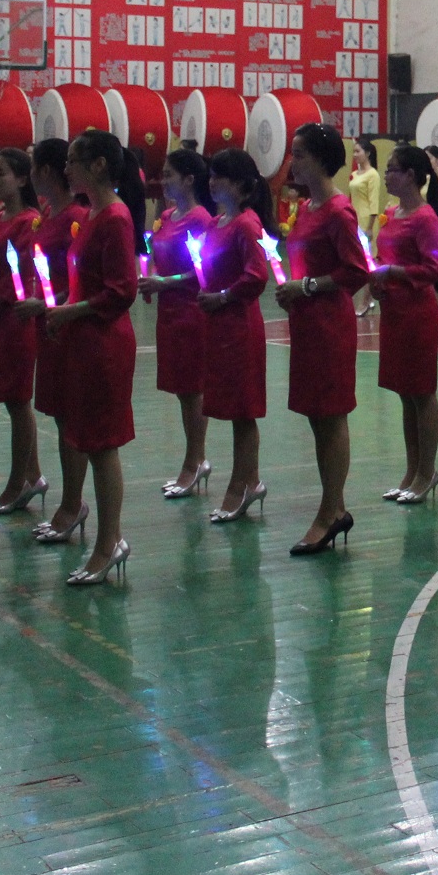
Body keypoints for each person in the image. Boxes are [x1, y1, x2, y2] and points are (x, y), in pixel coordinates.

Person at [39, 130, 139, 584]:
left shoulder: (115, 217)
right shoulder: (94, 214)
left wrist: (72, 311)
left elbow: (122, 291)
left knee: (102, 445)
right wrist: (63, 306)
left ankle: (109, 542)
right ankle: (106, 540)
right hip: (85, 338)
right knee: (91, 441)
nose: (66, 169)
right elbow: (88, 283)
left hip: (105, 343)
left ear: (98, 165)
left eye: (73, 161)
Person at [274, 122, 372, 556]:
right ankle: (335, 504)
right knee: (317, 417)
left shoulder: (337, 211)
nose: (292, 162)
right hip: (306, 325)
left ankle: (330, 510)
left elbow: (356, 271)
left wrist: (308, 286)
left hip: (330, 326)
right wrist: (293, 289)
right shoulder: (307, 207)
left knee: (331, 417)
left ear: (319, 159)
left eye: (299, 154)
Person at [15, 141, 89, 546]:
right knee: (61, 417)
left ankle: (73, 503)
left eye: (34, 168)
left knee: (72, 418)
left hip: (67, 325)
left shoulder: (77, 218)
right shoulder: (47, 214)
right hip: (48, 325)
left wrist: (49, 304)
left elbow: (81, 281)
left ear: (47, 172)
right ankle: (69, 501)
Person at [199, 148, 274, 523]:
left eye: (222, 177)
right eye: (212, 175)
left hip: (240, 326)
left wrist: (224, 296)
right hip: (218, 326)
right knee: (231, 408)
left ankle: (241, 485)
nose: (213, 182)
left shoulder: (247, 224)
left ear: (243, 186)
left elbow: (257, 275)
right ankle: (251, 480)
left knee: (243, 412)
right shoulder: (216, 223)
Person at [0, 147, 46, 516]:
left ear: (22, 179)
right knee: (12, 402)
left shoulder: (29, 222)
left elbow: (19, 279)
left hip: (16, 320)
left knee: (18, 402)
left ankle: (18, 484)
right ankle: (33, 475)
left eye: (1, 174)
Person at [372, 145, 438, 503]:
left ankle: (426, 471)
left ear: (411, 176)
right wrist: (377, 274)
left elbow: (434, 269)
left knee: (421, 392)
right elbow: (382, 256)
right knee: (405, 394)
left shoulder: (425, 218)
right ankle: (412, 468)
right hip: (393, 312)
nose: (386, 175)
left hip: (417, 313)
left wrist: (393, 272)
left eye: (392, 169)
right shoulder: (390, 213)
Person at [142, 147, 215, 500]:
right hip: (168, 312)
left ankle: (195, 460)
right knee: (182, 391)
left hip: (190, 311)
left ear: (189, 179)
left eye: (169, 175)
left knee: (192, 390)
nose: (163, 181)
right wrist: (150, 275)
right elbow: (159, 256)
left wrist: (165, 282)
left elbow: (204, 272)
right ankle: (193, 459)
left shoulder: (200, 219)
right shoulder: (167, 216)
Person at [346, 141, 385, 316]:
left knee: (369, 263)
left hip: (367, 221)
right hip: (354, 220)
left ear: (367, 153)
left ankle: (365, 301)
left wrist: (369, 227)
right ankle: (365, 300)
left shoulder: (373, 175)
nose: (354, 155)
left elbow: (373, 202)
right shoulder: (354, 174)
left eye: (358, 151)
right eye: (353, 152)